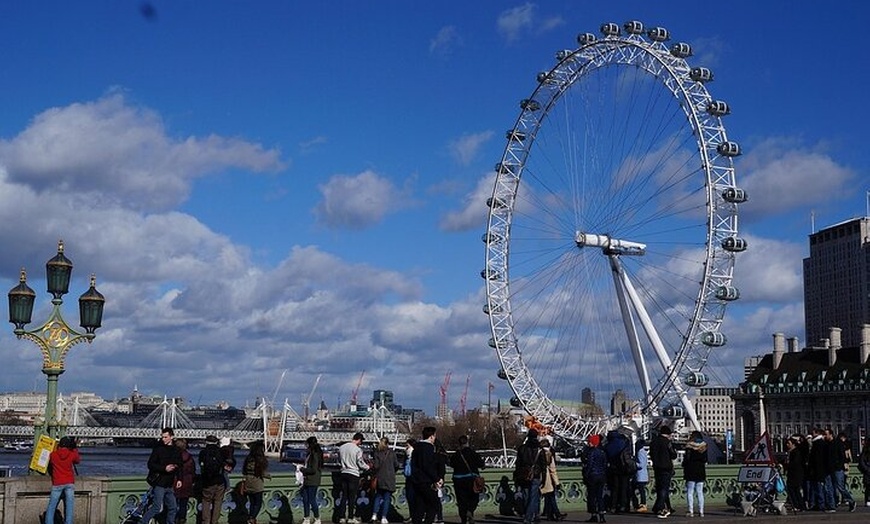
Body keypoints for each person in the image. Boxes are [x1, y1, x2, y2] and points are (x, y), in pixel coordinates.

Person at [142, 428, 182, 524]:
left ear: (171, 437)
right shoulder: (158, 449)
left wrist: (179, 479)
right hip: (159, 483)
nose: (163, 439)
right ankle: (143, 522)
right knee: (156, 507)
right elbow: (150, 464)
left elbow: (180, 465)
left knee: (173, 507)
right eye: (162, 437)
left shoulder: (176, 450)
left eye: (165, 437)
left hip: (170, 483)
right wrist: (164, 468)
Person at [450, 435, 485, 524]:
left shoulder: (456, 454)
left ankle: (463, 520)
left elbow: (451, 464)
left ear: (459, 443)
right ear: (467, 442)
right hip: (471, 479)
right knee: (474, 498)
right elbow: (481, 464)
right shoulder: (473, 453)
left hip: (458, 480)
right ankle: (470, 511)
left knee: (461, 501)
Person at [514, 429, 546, 524]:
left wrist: (517, 476)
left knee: (527, 495)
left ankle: (531, 515)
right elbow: (543, 465)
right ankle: (530, 517)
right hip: (535, 475)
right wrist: (544, 478)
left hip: (524, 474)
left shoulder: (522, 448)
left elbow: (518, 463)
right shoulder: (540, 449)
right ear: (536, 436)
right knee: (533, 496)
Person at [45, 435, 80, 524]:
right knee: (69, 506)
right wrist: (74, 448)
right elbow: (77, 460)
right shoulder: (71, 454)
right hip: (69, 482)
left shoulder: (53, 455)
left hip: (57, 483)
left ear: (59, 445)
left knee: (51, 507)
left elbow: (52, 461)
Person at [409, 426, 440, 524]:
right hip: (427, 481)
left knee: (420, 506)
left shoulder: (416, 448)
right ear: (431, 436)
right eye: (434, 436)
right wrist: (436, 478)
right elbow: (428, 466)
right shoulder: (429, 448)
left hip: (416, 481)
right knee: (434, 504)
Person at [339, 432, 369, 524]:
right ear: (359, 440)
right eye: (361, 441)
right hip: (353, 474)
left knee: (344, 496)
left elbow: (339, 460)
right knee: (352, 497)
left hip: (344, 472)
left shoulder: (342, 447)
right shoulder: (358, 450)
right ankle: (351, 517)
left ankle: (342, 517)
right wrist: (367, 467)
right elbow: (360, 462)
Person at [371, 437, 401, 524]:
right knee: (387, 498)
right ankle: (384, 517)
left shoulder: (377, 453)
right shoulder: (392, 453)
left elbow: (376, 466)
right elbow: (396, 465)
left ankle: (374, 515)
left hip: (380, 478)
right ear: (388, 443)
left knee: (378, 497)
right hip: (389, 478)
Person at [200, 435, 228, 524]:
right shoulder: (221, 452)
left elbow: (201, 466)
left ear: (206, 442)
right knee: (218, 502)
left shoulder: (203, 453)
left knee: (206, 501)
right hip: (219, 481)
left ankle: (206, 521)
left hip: (207, 481)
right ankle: (215, 521)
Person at [603, 430, 633, 514]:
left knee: (614, 489)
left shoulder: (608, 445)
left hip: (614, 469)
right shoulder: (623, 442)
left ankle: (613, 506)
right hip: (624, 468)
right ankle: (623, 506)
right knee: (624, 488)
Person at [650, 425, 677, 519]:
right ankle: (660, 508)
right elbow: (673, 455)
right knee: (664, 488)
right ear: (668, 434)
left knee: (660, 487)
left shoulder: (653, 442)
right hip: (666, 468)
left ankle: (665, 507)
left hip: (657, 467)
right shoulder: (667, 442)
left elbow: (651, 454)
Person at [242, 440, 271, 524]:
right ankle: (252, 518)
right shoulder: (260, 459)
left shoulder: (248, 459)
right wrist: (268, 476)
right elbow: (262, 472)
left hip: (248, 483)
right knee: (258, 503)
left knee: (252, 503)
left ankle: (251, 518)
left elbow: (244, 471)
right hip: (257, 484)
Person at [807, 426, 834, 512]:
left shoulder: (817, 444)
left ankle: (823, 504)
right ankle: (826, 504)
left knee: (821, 488)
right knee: (826, 488)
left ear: (815, 433)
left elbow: (816, 459)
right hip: (824, 469)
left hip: (819, 470)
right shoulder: (823, 443)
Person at [539, 436, 565, 521]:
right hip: (547, 479)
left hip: (539, 478)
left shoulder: (538, 453)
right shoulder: (549, 454)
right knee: (551, 496)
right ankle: (556, 514)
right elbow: (553, 470)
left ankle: (550, 515)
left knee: (547, 497)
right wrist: (557, 482)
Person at [582, 434, 607, 523]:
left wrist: (586, 475)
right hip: (601, 476)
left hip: (593, 476)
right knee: (600, 497)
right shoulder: (602, 452)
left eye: (589, 442)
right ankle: (602, 515)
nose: (588, 443)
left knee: (592, 497)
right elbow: (604, 465)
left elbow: (589, 465)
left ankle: (594, 515)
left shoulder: (591, 452)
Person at [682, 430, 707, 518]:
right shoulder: (704, 446)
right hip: (700, 470)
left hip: (691, 470)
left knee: (690, 491)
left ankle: (691, 511)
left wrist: (684, 464)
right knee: (700, 492)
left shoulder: (689, 446)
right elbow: (705, 459)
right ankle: (701, 511)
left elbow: (687, 459)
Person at [300, 436, 324, 524]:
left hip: (313, 480)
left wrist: (302, 469)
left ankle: (317, 518)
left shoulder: (315, 454)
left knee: (311, 499)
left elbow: (313, 469)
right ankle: (306, 518)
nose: (306, 446)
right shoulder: (311, 453)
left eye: (307, 444)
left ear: (310, 444)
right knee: (305, 499)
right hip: (307, 479)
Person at [831, 431, 856, 511]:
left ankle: (850, 500)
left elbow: (842, 457)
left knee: (839, 486)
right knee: (839, 486)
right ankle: (835, 502)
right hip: (838, 467)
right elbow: (846, 457)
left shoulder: (837, 444)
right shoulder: (840, 444)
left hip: (837, 468)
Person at [174, 438, 197, 524]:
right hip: (187, 483)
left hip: (175, 482)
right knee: (183, 504)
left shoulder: (173, 456)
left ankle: (174, 519)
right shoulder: (190, 458)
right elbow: (193, 471)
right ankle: (182, 519)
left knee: (173, 503)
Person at [784, 436, 807, 512]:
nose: (787, 445)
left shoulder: (796, 452)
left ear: (793, 444)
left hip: (796, 474)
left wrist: (787, 465)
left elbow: (795, 463)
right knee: (792, 490)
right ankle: (796, 504)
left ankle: (800, 505)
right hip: (791, 474)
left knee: (796, 490)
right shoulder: (790, 452)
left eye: (789, 443)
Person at [632, 439, 649, 513]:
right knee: (641, 490)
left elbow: (641, 465)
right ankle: (642, 504)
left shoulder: (640, 452)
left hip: (640, 475)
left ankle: (642, 504)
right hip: (644, 475)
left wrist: (634, 463)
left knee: (638, 490)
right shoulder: (644, 452)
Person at [403, 439, 416, 524]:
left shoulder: (413, 455)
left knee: (412, 498)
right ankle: (413, 516)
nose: (405, 448)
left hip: (413, 479)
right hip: (410, 479)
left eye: (407, 446)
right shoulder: (407, 456)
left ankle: (414, 516)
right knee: (410, 498)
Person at [857, 435, 870, 507]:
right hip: (868, 471)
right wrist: (867, 469)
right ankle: (868, 499)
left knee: (868, 486)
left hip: (867, 470)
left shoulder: (865, 451)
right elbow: (862, 462)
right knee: (868, 486)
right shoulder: (865, 451)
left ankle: (868, 500)